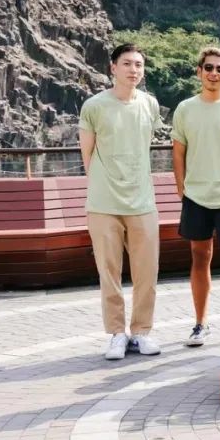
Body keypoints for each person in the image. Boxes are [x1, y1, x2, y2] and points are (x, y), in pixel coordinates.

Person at [80, 43, 162, 360]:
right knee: (109, 272)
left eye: (139, 64)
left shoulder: (150, 105)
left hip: (142, 201)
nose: (133, 70)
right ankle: (116, 333)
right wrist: (103, 184)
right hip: (103, 203)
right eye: (127, 63)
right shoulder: (94, 106)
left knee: (147, 272)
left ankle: (141, 332)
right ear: (113, 67)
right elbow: (87, 155)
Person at [171, 46, 220, 348]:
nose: (214, 73)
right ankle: (200, 323)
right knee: (199, 257)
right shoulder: (185, 108)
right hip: (196, 196)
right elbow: (178, 152)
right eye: (209, 68)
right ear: (199, 71)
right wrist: (181, 189)